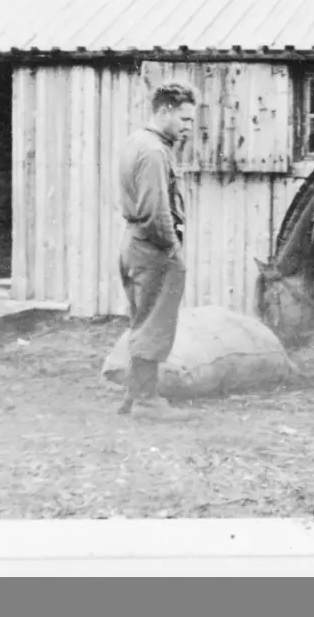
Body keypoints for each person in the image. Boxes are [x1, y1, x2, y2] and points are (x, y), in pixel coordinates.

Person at [116, 81, 199, 421]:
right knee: (154, 324)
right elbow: (155, 212)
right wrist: (173, 248)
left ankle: (135, 396)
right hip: (152, 248)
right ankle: (146, 401)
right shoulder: (153, 151)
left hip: (136, 244)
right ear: (164, 111)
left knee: (143, 321)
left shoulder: (139, 141)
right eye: (184, 119)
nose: (188, 127)